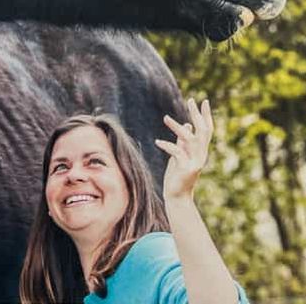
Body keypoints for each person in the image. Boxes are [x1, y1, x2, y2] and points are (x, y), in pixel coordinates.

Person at [19, 99, 249, 304]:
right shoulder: (70, 290)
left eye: (95, 162)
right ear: (48, 206)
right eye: (60, 167)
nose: (74, 175)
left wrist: (179, 200)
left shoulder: (150, 256)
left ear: (131, 186)